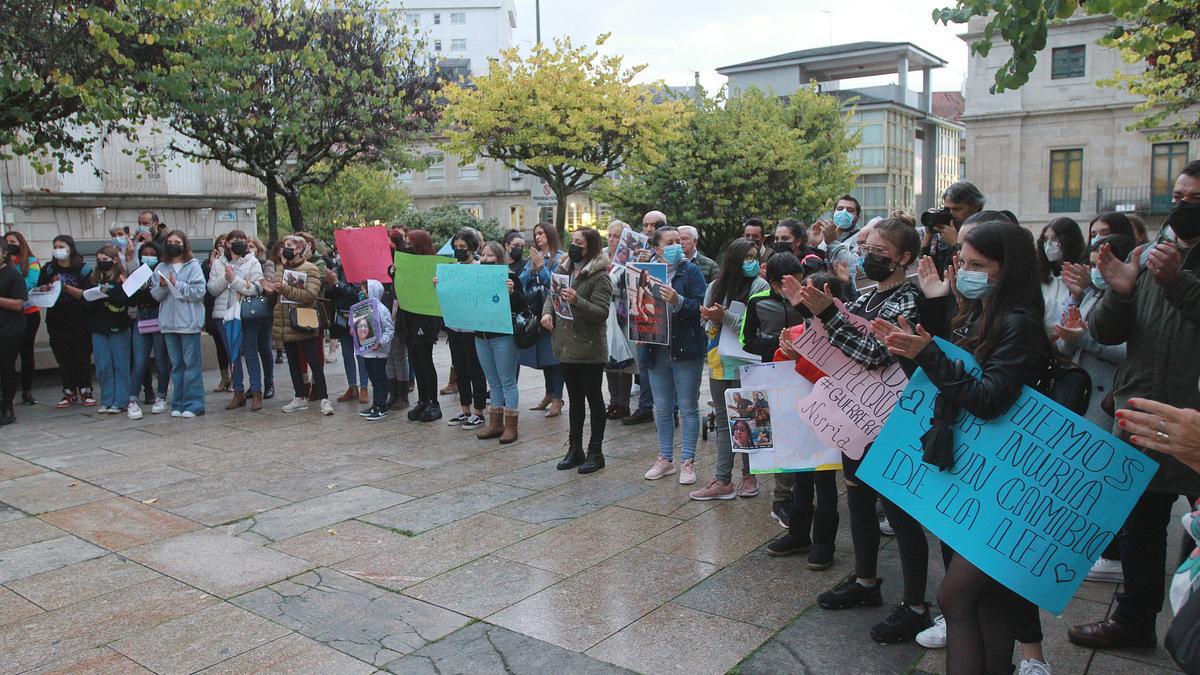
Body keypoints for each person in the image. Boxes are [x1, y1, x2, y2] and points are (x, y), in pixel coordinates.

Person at [875, 219, 1050, 674]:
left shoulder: (1018, 323)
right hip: (971, 473)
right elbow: (949, 370)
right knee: (983, 603)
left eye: (979, 265)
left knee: (956, 596)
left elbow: (987, 397)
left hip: (1004, 480)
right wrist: (917, 342)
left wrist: (927, 354)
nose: (966, 272)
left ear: (1008, 269)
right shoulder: (979, 311)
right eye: (964, 262)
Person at [1069, 160, 1200, 650]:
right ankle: (1134, 620)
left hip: (1193, 422)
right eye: (1179, 196)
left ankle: (1191, 629)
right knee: (1140, 529)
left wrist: (1177, 284)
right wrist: (1122, 292)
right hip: (1144, 414)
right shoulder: (1147, 256)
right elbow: (1105, 331)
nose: (1183, 207)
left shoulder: (1169, 269)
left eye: (1195, 200)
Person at [789, 217, 933, 644]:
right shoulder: (870, 297)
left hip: (893, 423)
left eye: (877, 249)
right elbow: (840, 343)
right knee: (859, 499)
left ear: (903, 258)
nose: (865, 254)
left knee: (903, 516)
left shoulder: (907, 301)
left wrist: (828, 315)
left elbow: (874, 352)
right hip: (859, 421)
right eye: (865, 245)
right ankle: (867, 581)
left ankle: (915, 606)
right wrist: (803, 329)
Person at [688, 238, 769, 500]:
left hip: (748, 365)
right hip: (720, 363)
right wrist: (711, 320)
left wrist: (726, 318)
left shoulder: (760, 285)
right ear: (734, 260)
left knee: (749, 421)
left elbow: (755, 328)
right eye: (747, 257)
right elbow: (707, 327)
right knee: (724, 423)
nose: (752, 262)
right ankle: (722, 481)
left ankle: (749, 477)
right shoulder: (714, 287)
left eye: (755, 256)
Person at [740, 252, 809, 523]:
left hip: (807, 375)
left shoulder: (807, 299)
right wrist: (778, 346)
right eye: (787, 283)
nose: (794, 288)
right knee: (781, 435)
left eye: (799, 281)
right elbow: (747, 341)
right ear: (772, 282)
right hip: (774, 375)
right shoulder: (757, 302)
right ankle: (782, 499)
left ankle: (806, 492)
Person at [640, 226, 707, 485]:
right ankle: (665, 458)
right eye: (670, 242)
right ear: (657, 249)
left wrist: (678, 301)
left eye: (679, 241)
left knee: (688, 406)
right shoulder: (646, 273)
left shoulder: (690, 271)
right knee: (662, 407)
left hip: (686, 348)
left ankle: (687, 461)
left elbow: (701, 307)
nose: (677, 245)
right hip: (656, 348)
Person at [544, 227, 612, 473]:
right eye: (572, 241)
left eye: (579, 244)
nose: (573, 247)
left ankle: (596, 451)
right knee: (574, 399)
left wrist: (577, 301)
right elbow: (551, 296)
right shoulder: (562, 268)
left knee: (593, 398)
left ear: (591, 247)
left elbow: (601, 312)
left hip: (589, 347)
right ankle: (575, 449)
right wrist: (547, 314)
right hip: (565, 344)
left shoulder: (599, 276)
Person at [262, 234, 331, 415]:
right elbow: (276, 294)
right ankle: (299, 396)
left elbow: (310, 295)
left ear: (300, 249)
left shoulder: (311, 269)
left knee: (313, 360)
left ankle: (324, 398)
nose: (286, 248)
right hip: (285, 321)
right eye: (284, 245)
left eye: (290, 245)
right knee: (293, 361)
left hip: (303, 320)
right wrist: (269, 290)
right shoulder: (280, 268)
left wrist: (284, 288)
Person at [149, 230, 207, 418]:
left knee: (191, 364)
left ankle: (194, 404)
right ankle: (179, 403)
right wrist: (164, 286)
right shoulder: (161, 267)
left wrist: (179, 285)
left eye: (177, 241)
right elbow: (155, 295)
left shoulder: (193, 266)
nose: (173, 244)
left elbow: (199, 292)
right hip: (168, 323)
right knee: (177, 365)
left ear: (184, 244)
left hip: (188, 322)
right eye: (170, 241)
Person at [474, 241, 526, 443]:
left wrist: (512, 293)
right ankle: (495, 424)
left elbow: (523, 305)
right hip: (481, 335)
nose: (486, 259)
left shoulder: (510, 277)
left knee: (507, 381)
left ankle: (511, 426)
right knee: (493, 382)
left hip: (503, 336)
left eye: (490, 256)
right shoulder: (475, 279)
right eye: (483, 255)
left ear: (499, 258)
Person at [207, 229, 264, 411]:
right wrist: (227, 278)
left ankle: (256, 392)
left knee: (250, 352)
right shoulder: (217, 264)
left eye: (242, 239)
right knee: (233, 355)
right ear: (227, 243)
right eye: (234, 240)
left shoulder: (252, 262)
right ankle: (237, 392)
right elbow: (212, 289)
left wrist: (235, 280)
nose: (239, 242)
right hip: (224, 315)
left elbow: (256, 288)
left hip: (246, 314)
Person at [36, 235, 95, 407]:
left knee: (81, 355)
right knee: (63, 356)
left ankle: (85, 388)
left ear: (70, 248)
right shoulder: (48, 269)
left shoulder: (83, 269)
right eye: (55, 246)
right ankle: (68, 390)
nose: (58, 249)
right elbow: (40, 289)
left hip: (79, 318)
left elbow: (87, 294)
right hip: (56, 318)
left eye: (61, 246)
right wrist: (46, 288)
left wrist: (66, 287)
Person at [441, 230, 488, 430]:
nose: (459, 250)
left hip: (472, 327)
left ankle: (479, 411)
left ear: (472, 247)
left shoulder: (480, 268)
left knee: (475, 369)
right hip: (455, 326)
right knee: (459, 369)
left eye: (463, 247)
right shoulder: (452, 269)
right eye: (456, 247)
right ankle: (465, 408)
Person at [519, 222, 565, 418]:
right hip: (537, 313)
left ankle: (558, 398)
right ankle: (548, 394)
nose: (537, 237)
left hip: (554, 313)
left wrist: (541, 266)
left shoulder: (560, 258)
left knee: (554, 358)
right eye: (536, 233)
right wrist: (532, 267)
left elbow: (556, 285)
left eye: (541, 233)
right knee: (545, 357)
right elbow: (521, 282)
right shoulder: (534, 257)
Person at [84, 245, 133, 416]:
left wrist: (109, 293)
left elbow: (124, 300)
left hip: (118, 326)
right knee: (103, 365)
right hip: (98, 326)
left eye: (104, 259)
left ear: (113, 260)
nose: (100, 262)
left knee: (120, 364)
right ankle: (106, 399)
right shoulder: (93, 277)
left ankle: (120, 400)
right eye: (99, 259)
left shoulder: (121, 278)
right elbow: (87, 299)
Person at [402, 229, 445, 422]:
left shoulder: (432, 265)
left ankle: (433, 402)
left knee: (425, 360)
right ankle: (422, 400)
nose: (406, 246)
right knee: (416, 361)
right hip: (409, 316)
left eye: (410, 243)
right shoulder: (406, 263)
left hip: (425, 318)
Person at [129, 241, 171, 414]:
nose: (148, 257)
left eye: (152, 254)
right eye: (144, 254)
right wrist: (138, 289)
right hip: (142, 319)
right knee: (139, 361)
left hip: (159, 319)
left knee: (161, 360)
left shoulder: (162, 270)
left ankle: (162, 395)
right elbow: (130, 300)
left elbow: (162, 296)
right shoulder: (138, 273)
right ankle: (132, 399)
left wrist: (152, 288)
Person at [603, 220, 637, 419]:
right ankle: (613, 401)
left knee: (623, 359)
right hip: (605, 312)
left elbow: (630, 287)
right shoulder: (601, 255)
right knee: (608, 358)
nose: (613, 240)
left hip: (623, 314)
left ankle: (623, 403)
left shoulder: (630, 258)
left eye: (617, 236)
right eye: (610, 235)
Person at [325, 258, 369, 405]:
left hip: (359, 315)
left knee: (360, 353)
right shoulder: (338, 267)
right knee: (346, 353)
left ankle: (364, 387)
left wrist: (338, 283)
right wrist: (331, 283)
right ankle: (352, 386)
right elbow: (329, 293)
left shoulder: (360, 268)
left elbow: (357, 294)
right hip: (341, 318)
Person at [4, 231, 40, 405]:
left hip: (29, 313)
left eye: (13, 242)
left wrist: (12, 276)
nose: (10, 245)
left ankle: (27, 390)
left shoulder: (31, 262)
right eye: (7, 242)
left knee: (26, 353)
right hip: (7, 317)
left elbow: (29, 283)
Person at [919, 182, 986, 273]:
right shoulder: (943, 234)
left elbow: (971, 272)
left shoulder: (985, 232)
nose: (951, 214)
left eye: (957, 209)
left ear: (976, 207)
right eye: (947, 209)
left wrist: (955, 244)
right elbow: (926, 269)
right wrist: (928, 236)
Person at [1035, 217, 1086, 337]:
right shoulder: (1040, 275)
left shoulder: (1082, 276)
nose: (1049, 245)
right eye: (1046, 239)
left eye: (1054, 239)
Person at [356, 279, 394, 421]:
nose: (362, 293)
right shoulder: (363, 309)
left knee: (379, 379)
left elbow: (389, 330)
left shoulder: (382, 309)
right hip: (367, 351)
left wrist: (380, 342)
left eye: (364, 290)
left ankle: (381, 406)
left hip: (379, 352)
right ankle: (376, 404)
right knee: (373, 377)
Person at [0, 248, 28, 425]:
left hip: (9, 329)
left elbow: (18, 304)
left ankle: (7, 407)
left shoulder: (12, 275)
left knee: (6, 367)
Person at [247, 237, 275, 401]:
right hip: (247, 312)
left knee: (264, 348)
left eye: (253, 246)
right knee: (250, 349)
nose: (250, 249)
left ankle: (269, 383)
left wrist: (250, 283)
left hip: (263, 311)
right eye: (248, 247)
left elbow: (267, 282)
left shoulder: (266, 264)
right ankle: (254, 384)